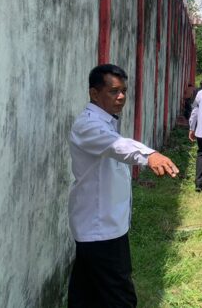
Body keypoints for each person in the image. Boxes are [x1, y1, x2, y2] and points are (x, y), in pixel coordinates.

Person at [67, 64, 179, 307]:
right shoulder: (88, 126)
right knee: (120, 298)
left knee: (85, 295)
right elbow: (118, 146)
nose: (121, 97)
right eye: (113, 91)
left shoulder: (105, 122)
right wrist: (149, 156)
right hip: (100, 229)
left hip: (102, 226)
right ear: (94, 94)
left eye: (124, 91)